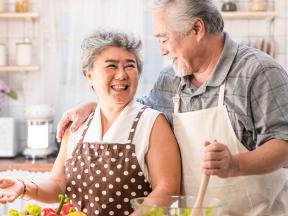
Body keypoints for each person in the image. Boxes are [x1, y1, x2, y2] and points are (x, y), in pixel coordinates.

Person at [57, 0, 288, 215]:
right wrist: (94, 105)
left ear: (197, 29)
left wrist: (234, 164)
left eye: (163, 38)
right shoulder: (171, 79)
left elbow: (283, 143)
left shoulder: (259, 72)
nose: (161, 50)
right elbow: (137, 110)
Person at [0, 30, 181, 216]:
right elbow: (57, 184)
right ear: (89, 75)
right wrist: (23, 187)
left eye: (130, 66)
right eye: (111, 66)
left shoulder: (152, 123)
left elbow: (167, 189)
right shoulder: (78, 125)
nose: (121, 75)